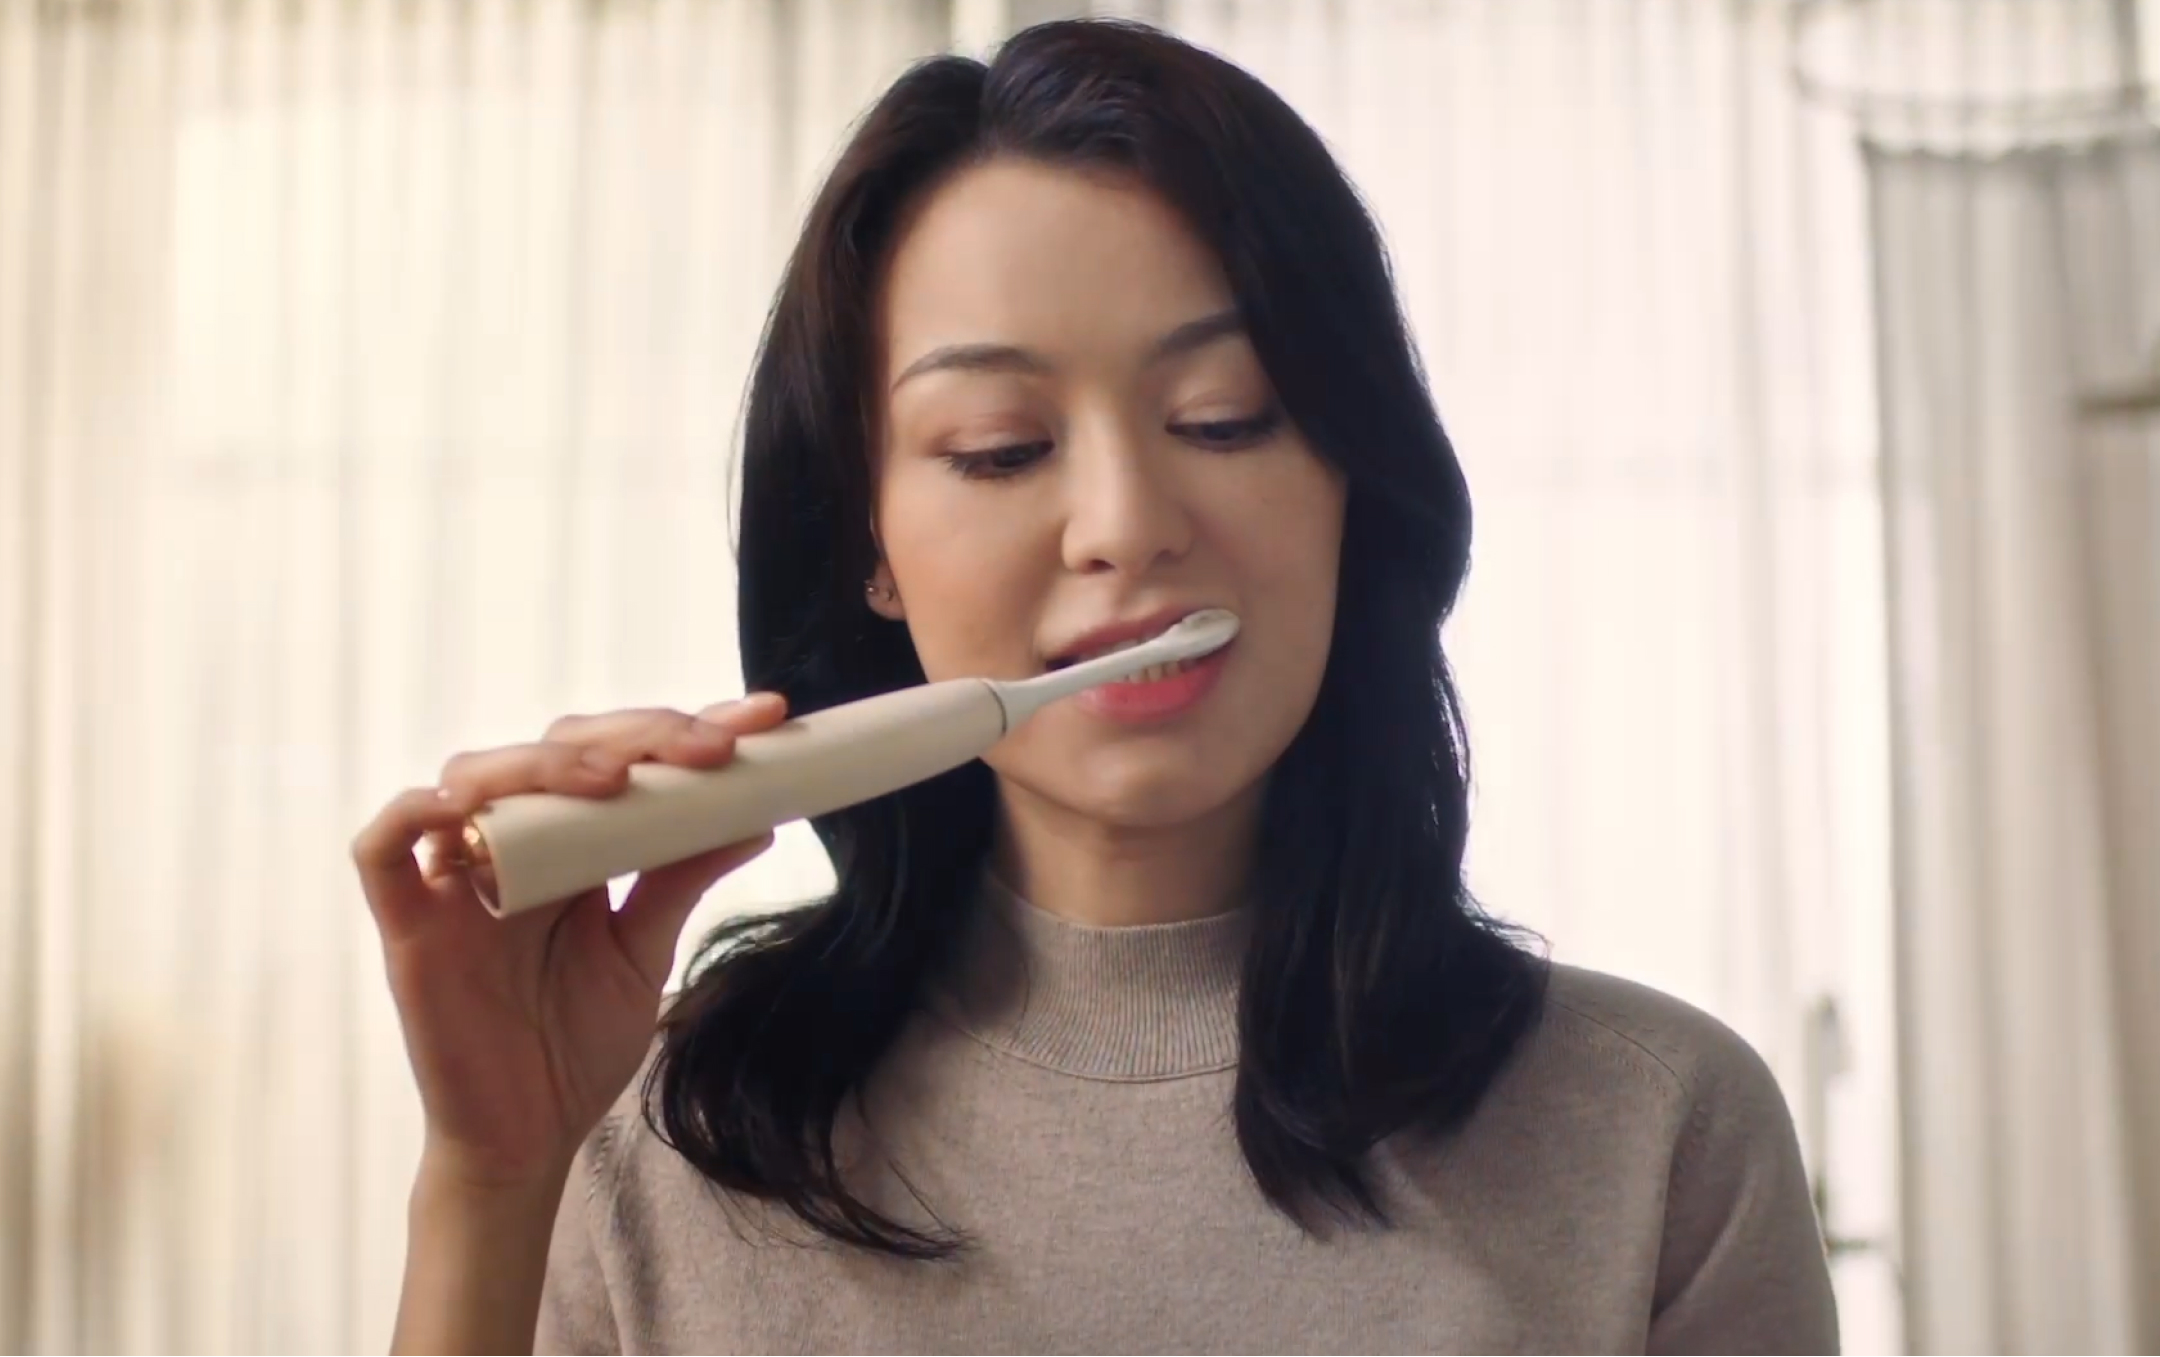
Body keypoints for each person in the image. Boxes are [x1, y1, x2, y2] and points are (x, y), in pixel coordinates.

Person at [350, 19, 1840, 1355]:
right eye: (1000, 446)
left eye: (1226, 415)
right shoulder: (670, 1135)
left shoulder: (1656, 1130)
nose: (1124, 521)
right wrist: (492, 1179)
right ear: (869, 538)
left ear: (1348, 481)